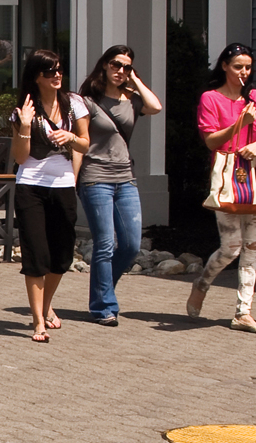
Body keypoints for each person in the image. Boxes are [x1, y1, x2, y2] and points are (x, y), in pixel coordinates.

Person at [187, 43, 256, 334]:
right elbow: (211, 141)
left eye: (248, 67)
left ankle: (243, 313)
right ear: (225, 67)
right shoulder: (211, 98)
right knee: (231, 249)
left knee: (252, 247)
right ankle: (202, 283)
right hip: (229, 181)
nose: (244, 72)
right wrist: (242, 123)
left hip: (255, 183)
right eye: (238, 66)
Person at [76, 42, 163, 326]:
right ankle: (103, 307)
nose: (120, 71)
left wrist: (136, 80)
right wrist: (72, 179)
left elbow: (155, 106)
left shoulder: (131, 99)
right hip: (95, 178)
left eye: (126, 66)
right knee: (104, 244)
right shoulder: (88, 99)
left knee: (130, 245)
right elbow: (79, 143)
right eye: (115, 65)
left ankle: (103, 291)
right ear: (104, 65)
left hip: (125, 179)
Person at [10, 48, 88, 341]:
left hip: (63, 185)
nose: (56, 75)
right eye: (49, 72)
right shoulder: (24, 110)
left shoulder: (74, 104)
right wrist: (26, 127)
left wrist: (71, 138)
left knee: (62, 256)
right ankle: (38, 321)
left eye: (59, 70)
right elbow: (19, 157)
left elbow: (85, 145)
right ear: (36, 77)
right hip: (31, 185)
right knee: (36, 255)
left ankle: (46, 304)